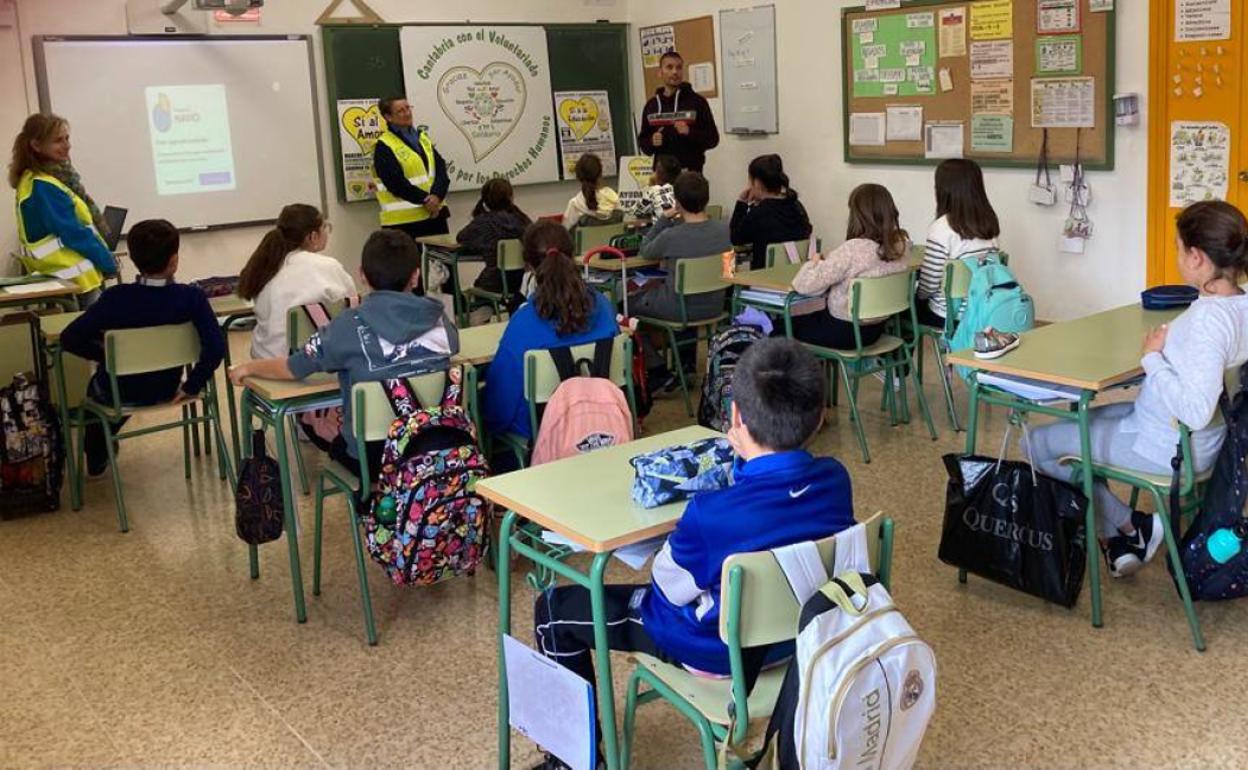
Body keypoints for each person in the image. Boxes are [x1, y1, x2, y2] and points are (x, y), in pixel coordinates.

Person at [530, 338, 854, 770]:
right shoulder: (836, 480)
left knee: (553, 610)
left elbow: (667, 589)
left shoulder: (710, 515)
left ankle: (571, 762)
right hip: (800, 638)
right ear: (819, 417)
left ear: (735, 416)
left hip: (718, 655)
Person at [1030, 201, 1248, 578]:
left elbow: (1195, 408)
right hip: (1200, 439)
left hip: (1168, 447)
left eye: (1179, 248)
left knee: (1035, 444)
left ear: (1196, 257)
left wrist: (1151, 359)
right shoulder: (1239, 304)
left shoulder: (1208, 322)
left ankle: (1130, 526)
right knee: (1083, 427)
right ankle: (1126, 535)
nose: (1178, 256)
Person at [228, 230, 459, 479]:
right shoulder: (439, 319)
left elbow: (293, 368)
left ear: (362, 275)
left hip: (372, 457)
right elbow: (453, 348)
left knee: (319, 423)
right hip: (437, 445)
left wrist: (249, 368)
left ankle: (375, 500)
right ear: (416, 276)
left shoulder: (347, 326)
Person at [60, 219, 223, 476]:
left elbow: (69, 338)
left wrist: (111, 357)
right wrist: (192, 385)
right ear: (174, 261)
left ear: (134, 259)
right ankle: (102, 440)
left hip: (117, 392)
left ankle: (97, 450)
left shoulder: (116, 298)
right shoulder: (191, 298)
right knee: (131, 384)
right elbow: (215, 347)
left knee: (100, 391)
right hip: (166, 387)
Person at [481, 221, 617, 441]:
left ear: (529, 266)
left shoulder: (524, 322)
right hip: (602, 422)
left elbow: (500, 405)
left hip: (540, 430)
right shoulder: (603, 305)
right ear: (572, 256)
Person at [9, 113, 117, 306]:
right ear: (36, 145)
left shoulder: (39, 179)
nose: (67, 145)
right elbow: (74, 233)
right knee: (96, 333)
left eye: (67, 138)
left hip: (67, 277)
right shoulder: (44, 185)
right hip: (73, 278)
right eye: (58, 140)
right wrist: (107, 261)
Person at [789, 184, 911, 350]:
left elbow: (802, 285)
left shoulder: (852, 250)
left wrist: (814, 262)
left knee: (782, 326)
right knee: (811, 319)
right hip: (875, 330)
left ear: (857, 215)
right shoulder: (901, 247)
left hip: (842, 332)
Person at [634, 171, 731, 380]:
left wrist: (663, 219)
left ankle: (658, 369)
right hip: (715, 304)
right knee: (682, 292)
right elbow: (729, 270)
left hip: (679, 308)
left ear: (677, 202)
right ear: (706, 199)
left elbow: (645, 249)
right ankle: (685, 366)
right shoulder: (724, 231)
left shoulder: (671, 235)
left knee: (626, 308)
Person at [238, 204, 355, 360]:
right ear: (312, 236)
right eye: (325, 227)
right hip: (313, 364)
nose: (327, 232)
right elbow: (353, 306)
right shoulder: (328, 266)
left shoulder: (266, 267)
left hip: (266, 365)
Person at [917, 159, 1000, 329]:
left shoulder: (941, 228)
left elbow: (929, 286)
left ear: (943, 190)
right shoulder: (988, 224)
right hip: (983, 309)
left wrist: (915, 292)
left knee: (902, 309)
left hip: (949, 315)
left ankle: (902, 355)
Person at [372, 97, 451, 240]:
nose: (407, 113)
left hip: (435, 215)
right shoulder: (384, 145)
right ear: (388, 117)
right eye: (401, 111)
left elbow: (440, 170)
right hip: (403, 223)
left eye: (408, 108)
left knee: (440, 261)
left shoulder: (422, 138)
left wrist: (437, 196)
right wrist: (426, 200)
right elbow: (394, 182)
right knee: (410, 263)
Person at [458, 177, 532, 316]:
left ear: (485, 200)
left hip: (494, 282)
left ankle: (482, 315)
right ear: (511, 197)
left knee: (480, 287)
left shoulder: (483, 222)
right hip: (521, 281)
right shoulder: (522, 220)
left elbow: (461, 237)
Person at [636, 50, 720, 173]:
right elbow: (644, 146)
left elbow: (713, 139)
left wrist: (689, 132)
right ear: (660, 72)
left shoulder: (697, 102)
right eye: (669, 67)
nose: (675, 72)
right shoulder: (651, 106)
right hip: (661, 176)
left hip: (691, 174)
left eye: (679, 68)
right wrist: (652, 141)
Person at [729, 154, 813, 270]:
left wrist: (741, 204)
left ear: (757, 183)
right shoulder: (797, 206)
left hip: (764, 280)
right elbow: (807, 230)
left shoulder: (759, 214)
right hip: (795, 278)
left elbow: (736, 239)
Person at [561, 154, 620, 230]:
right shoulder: (614, 198)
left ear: (579, 177)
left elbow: (565, 232)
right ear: (600, 174)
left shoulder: (575, 204)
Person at [631, 153, 681, 221]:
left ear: (657, 174)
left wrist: (650, 186)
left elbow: (636, 211)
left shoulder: (652, 192)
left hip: (662, 229)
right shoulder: (683, 188)